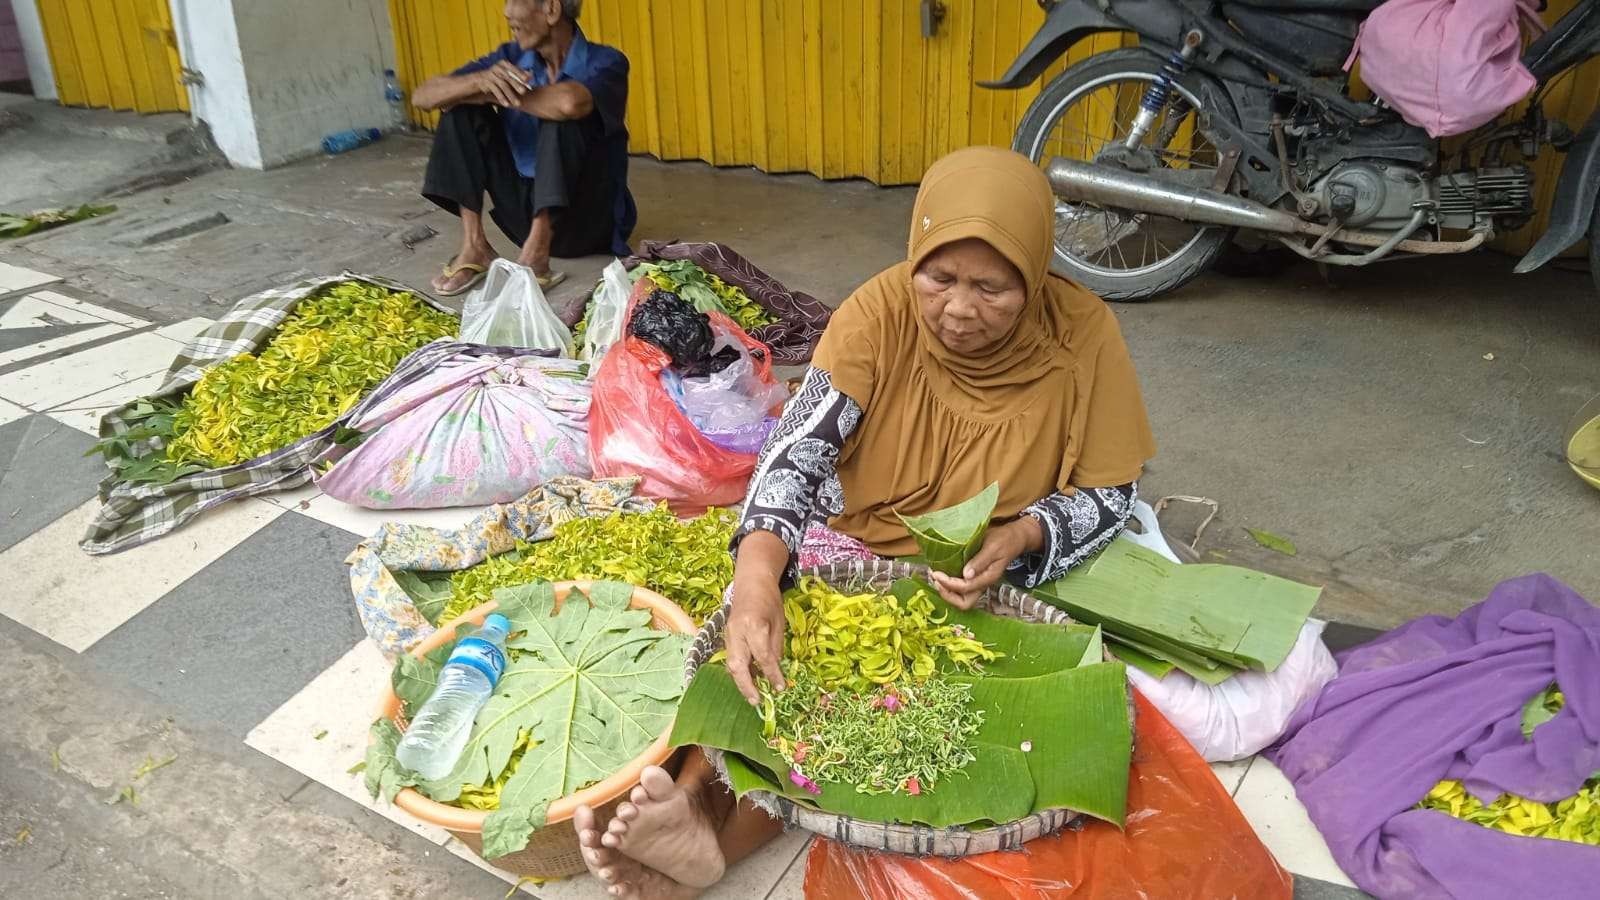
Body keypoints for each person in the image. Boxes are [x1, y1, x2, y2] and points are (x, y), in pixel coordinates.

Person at [573, 146, 1156, 899]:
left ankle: (721, 838)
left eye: (993, 287)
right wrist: (757, 579)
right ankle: (690, 803)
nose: (958, 309)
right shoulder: (877, 315)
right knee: (776, 647)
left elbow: (1110, 492)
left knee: (911, 704)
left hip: (984, 569)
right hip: (861, 540)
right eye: (939, 277)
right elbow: (795, 454)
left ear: (1037, 274)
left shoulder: (1085, 335)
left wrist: (1023, 535)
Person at [411, 0, 636, 296]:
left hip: (588, 221)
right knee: (459, 109)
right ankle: (474, 246)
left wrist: (494, 95)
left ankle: (538, 253)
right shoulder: (511, 57)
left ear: (552, 10)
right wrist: (478, 82)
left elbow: (570, 103)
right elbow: (423, 96)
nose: (507, 12)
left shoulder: (606, 61)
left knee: (562, 114)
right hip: (521, 215)